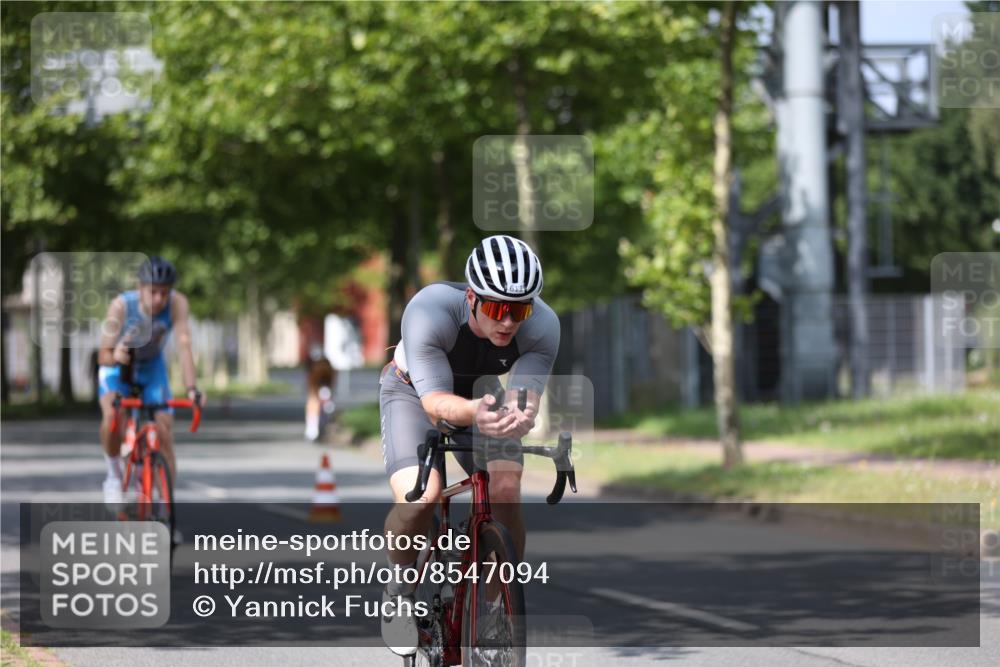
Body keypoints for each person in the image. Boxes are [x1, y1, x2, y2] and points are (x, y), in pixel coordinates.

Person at [378, 235, 560, 656]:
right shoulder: (429, 310)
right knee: (421, 497)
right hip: (413, 393)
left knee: (508, 485)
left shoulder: (545, 324)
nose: (509, 322)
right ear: (473, 297)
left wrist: (521, 414)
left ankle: (494, 610)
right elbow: (435, 404)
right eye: (498, 308)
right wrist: (477, 410)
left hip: (481, 396)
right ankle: (400, 588)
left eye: (520, 310)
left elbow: (525, 400)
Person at [97, 256, 203, 511]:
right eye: (153, 292)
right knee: (113, 417)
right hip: (119, 370)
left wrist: (192, 389)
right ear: (140, 287)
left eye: (164, 293)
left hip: (153, 369)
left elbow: (184, 344)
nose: (159, 299)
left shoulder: (177, 304)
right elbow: (103, 354)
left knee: (164, 433)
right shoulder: (121, 306)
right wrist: (117, 356)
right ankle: (113, 474)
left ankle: (166, 511)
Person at [304, 344, 337, 441]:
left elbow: (330, 382)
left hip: (323, 388)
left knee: (318, 402)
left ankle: (316, 427)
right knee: (314, 403)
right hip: (319, 389)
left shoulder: (326, 369)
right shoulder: (315, 371)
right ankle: (313, 428)